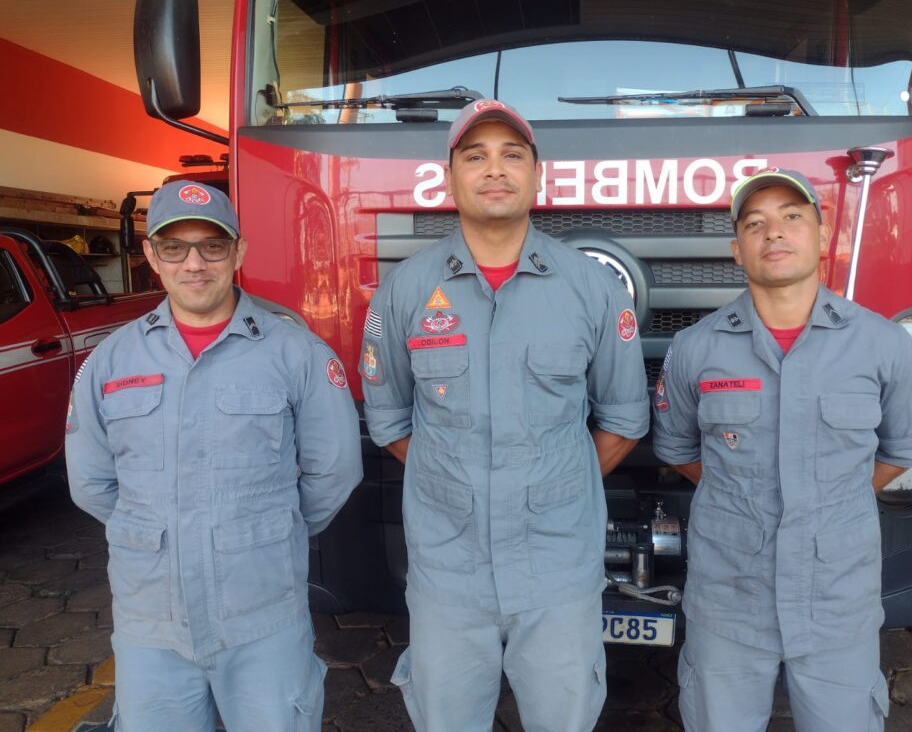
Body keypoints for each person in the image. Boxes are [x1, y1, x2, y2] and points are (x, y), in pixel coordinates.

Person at [360, 99, 649, 731]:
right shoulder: (405, 290)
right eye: (476, 156)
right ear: (450, 177)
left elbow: (624, 419)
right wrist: (465, 479)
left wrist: (546, 483)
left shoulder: (592, 288)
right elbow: (390, 422)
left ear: (537, 175)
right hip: (447, 570)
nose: (495, 169)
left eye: (512, 154)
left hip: (556, 568)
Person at [65, 181, 362, 731]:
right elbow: (91, 483)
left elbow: (336, 470)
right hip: (150, 622)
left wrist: (264, 531)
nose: (194, 263)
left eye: (212, 245)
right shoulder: (109, 360)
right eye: (174, 247)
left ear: (238, 252)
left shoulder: (295, 352)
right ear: (151, 255)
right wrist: (162, 531)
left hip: (262, 616)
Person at [652, 168, 912, 732]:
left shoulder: (883, 344)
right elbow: (677, 448)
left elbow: (901, 451)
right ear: (737, 250)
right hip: (728, 598)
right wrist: (745, 494)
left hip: (837, 602)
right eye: (755, 224)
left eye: (792, 217)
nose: (773, 232)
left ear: (823, 237)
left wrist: (828, 499)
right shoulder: (694, 348)